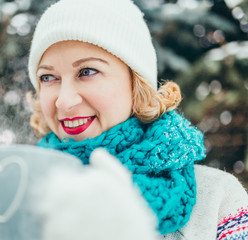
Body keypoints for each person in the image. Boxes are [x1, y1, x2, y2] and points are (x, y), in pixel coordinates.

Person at [27, 0, 248, 239]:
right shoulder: (18, 197)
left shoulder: (217, 199)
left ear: (136, 83)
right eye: (48, 77)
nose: (63, 101)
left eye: (87, 71)